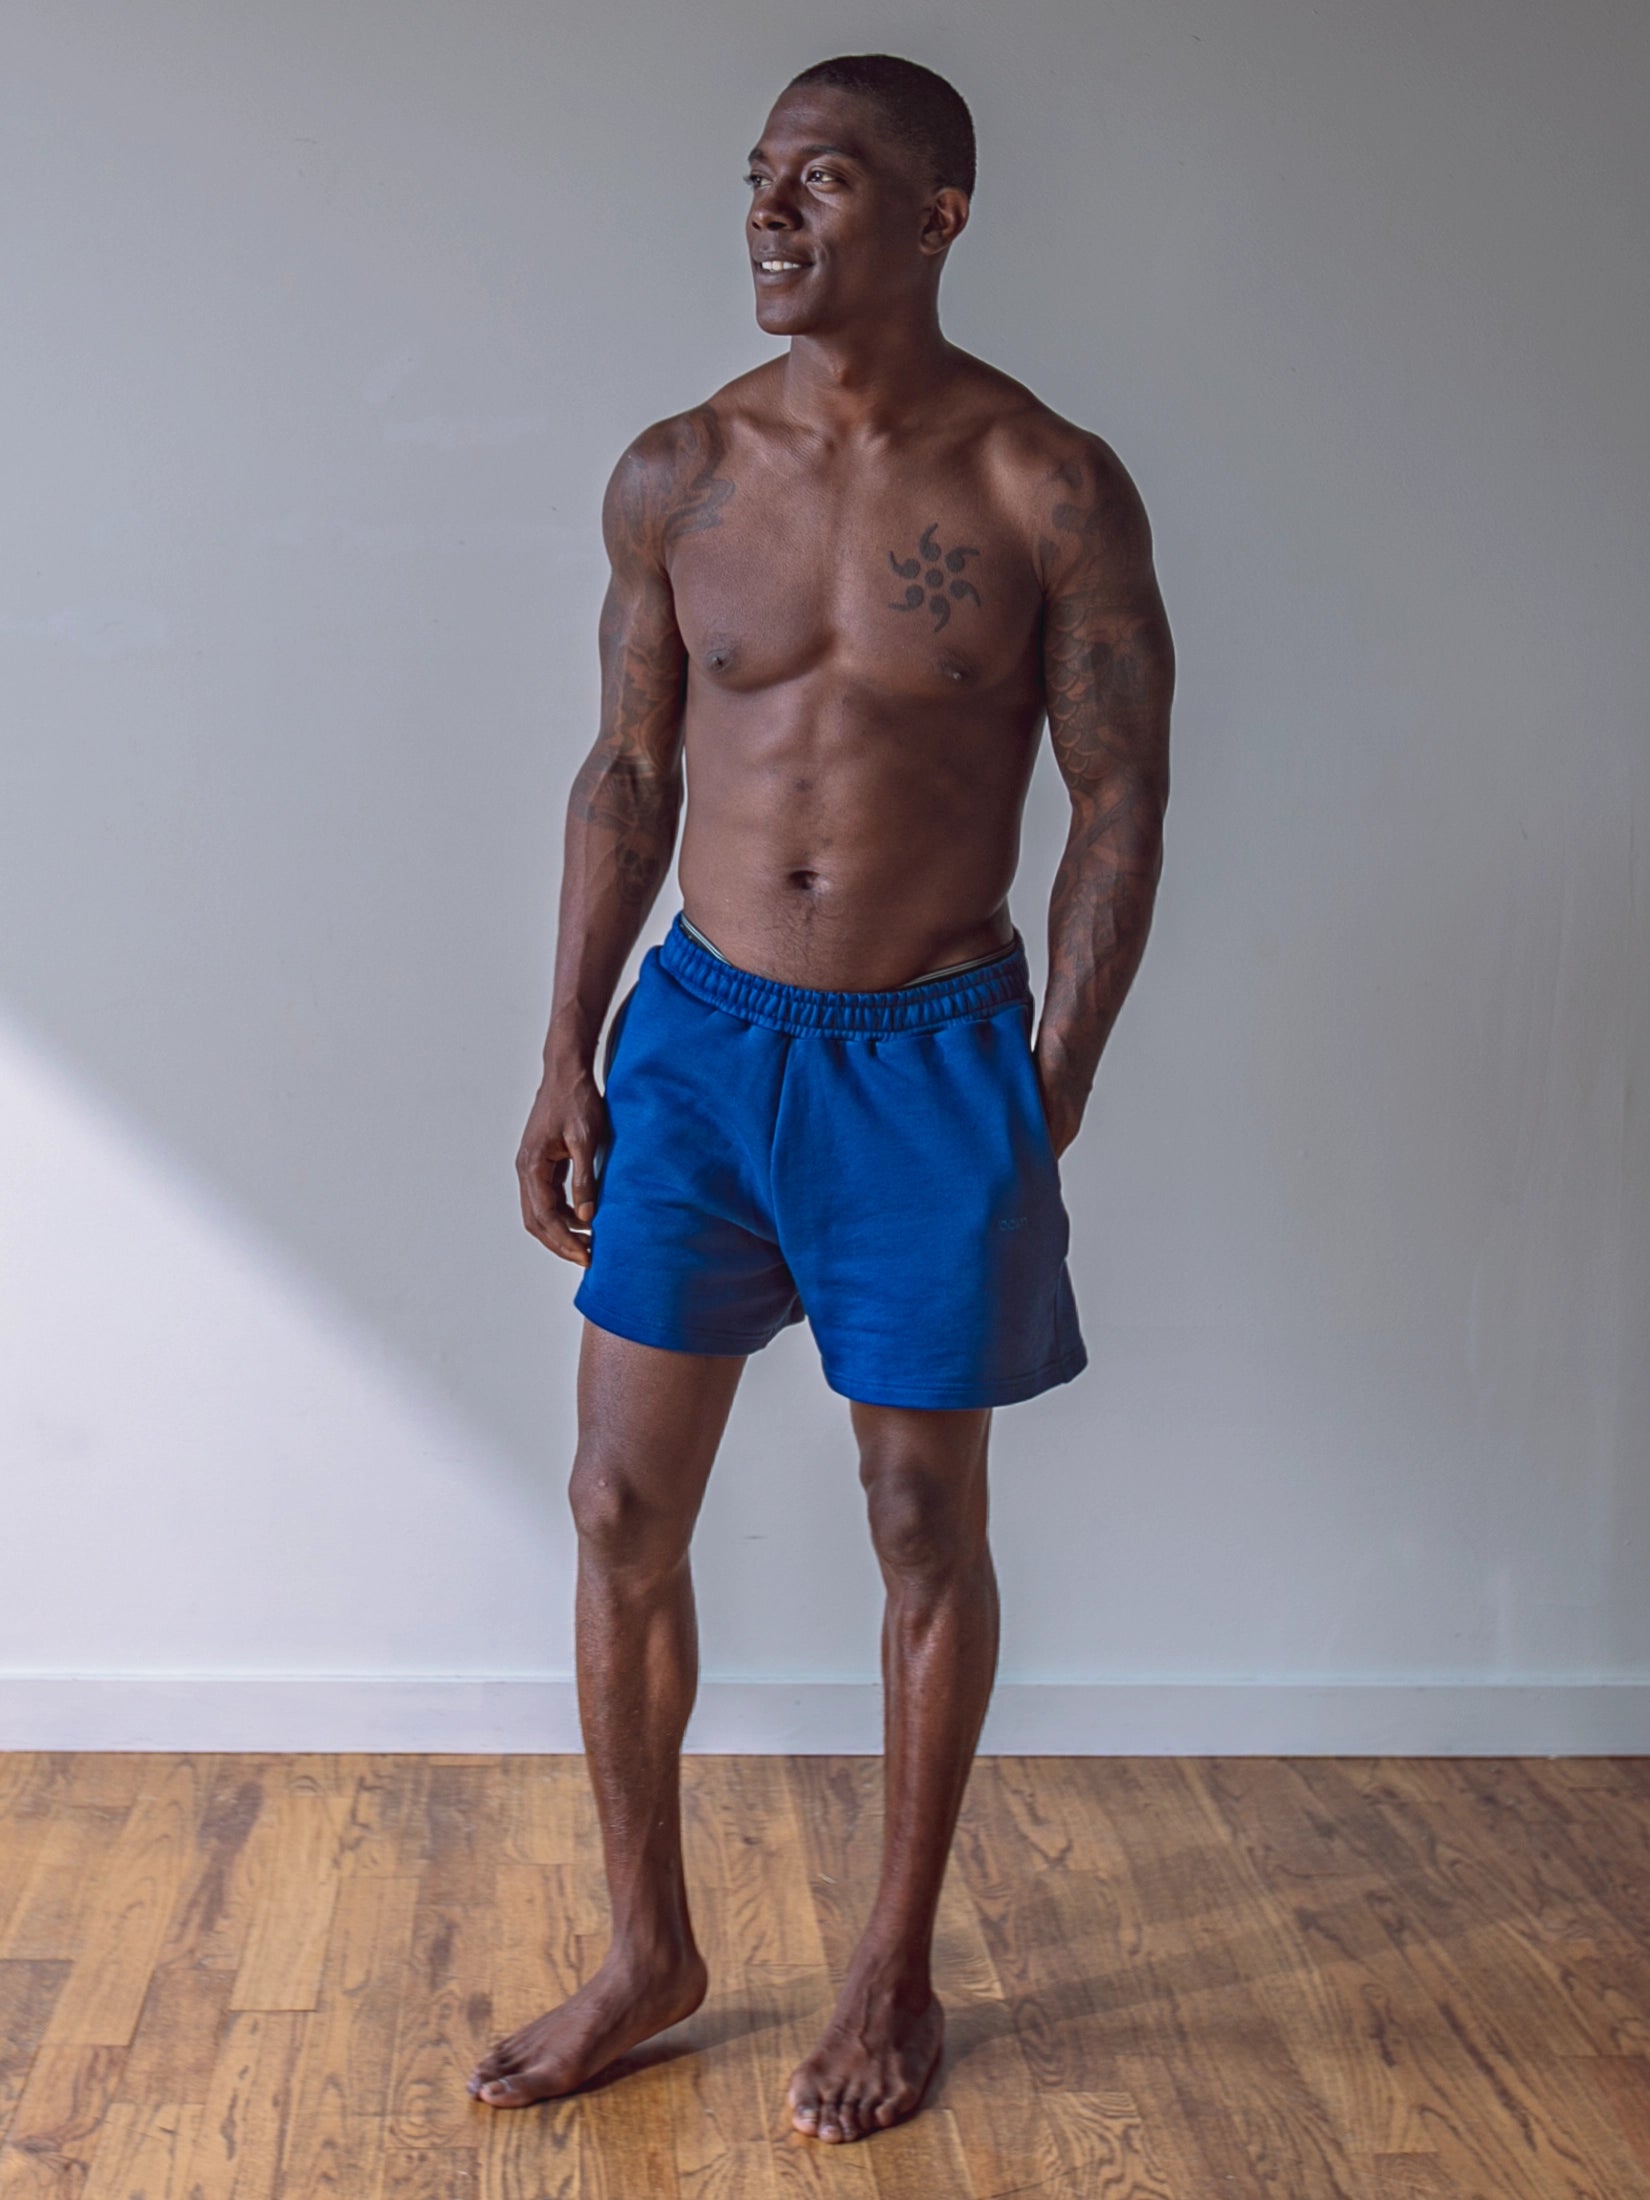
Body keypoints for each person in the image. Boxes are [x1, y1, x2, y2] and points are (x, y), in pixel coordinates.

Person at [471, 51, 1175, 2145]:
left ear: (942, 210)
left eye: (828, 179)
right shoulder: (678, 472)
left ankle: (892, 1964)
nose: (774, 211)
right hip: (699, 1041)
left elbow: (1123, 804)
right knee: (615, 1502)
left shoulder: (1047, 483)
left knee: (916, 1515)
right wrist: (565, 1037)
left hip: (926, 1053)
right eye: (761, 178)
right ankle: (648, 1947)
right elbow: (629, 769)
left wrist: (1047, 1080)